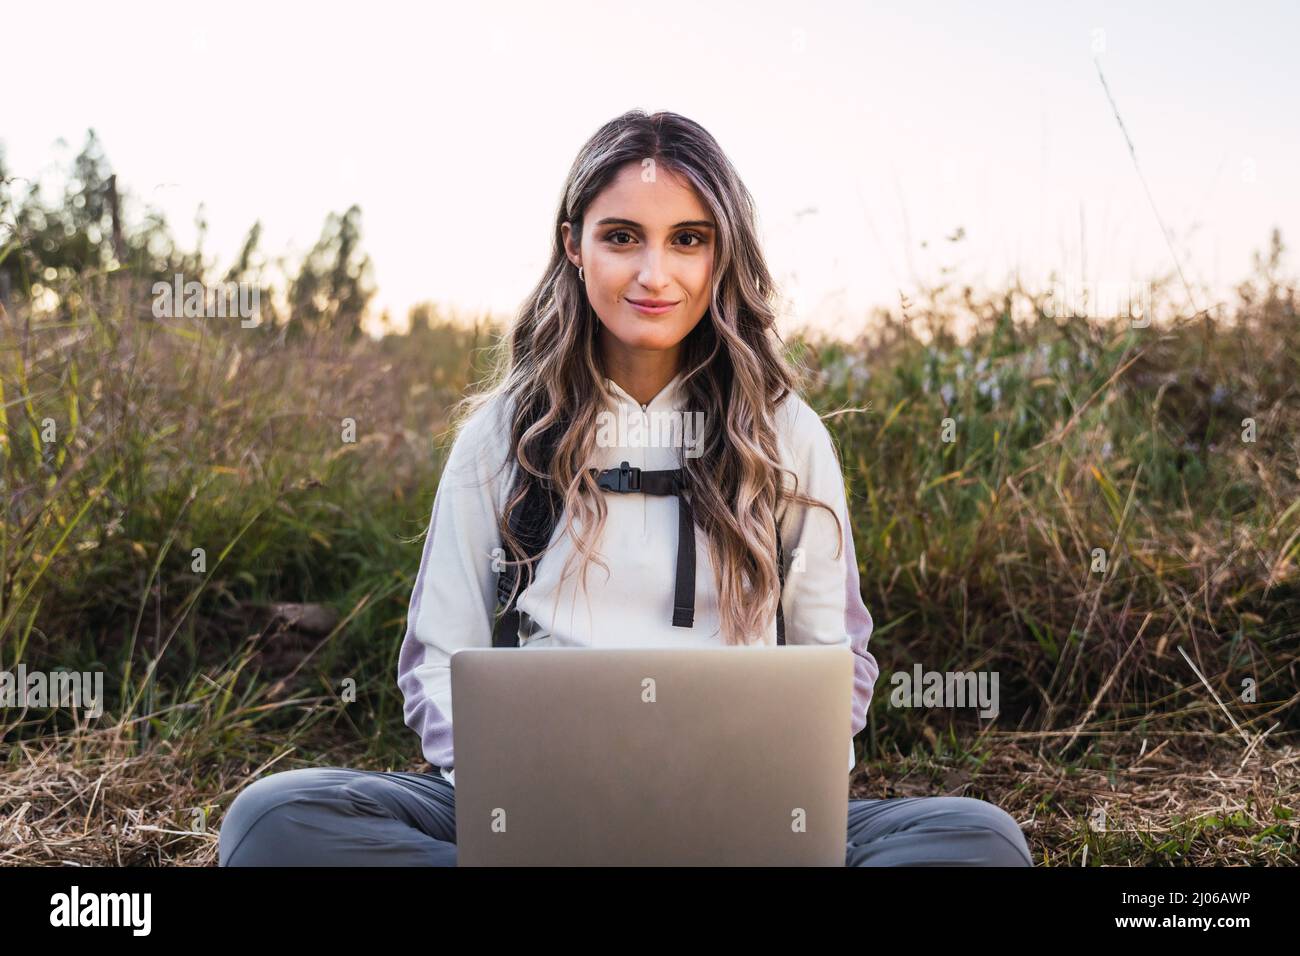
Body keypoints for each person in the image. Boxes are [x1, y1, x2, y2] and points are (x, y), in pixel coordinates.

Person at [219, 110, 1032, 867]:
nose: (655, 273)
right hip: (531, 823)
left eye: (687, 239)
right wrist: (512, 805)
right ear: (574, 246)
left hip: (742, 818)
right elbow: (438, 655)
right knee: (273, 824)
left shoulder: (788, 434)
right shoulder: (500, 435)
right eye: (622, 237)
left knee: (978, 840)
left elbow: (835, 659)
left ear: (723, 253)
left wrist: (788, 801)